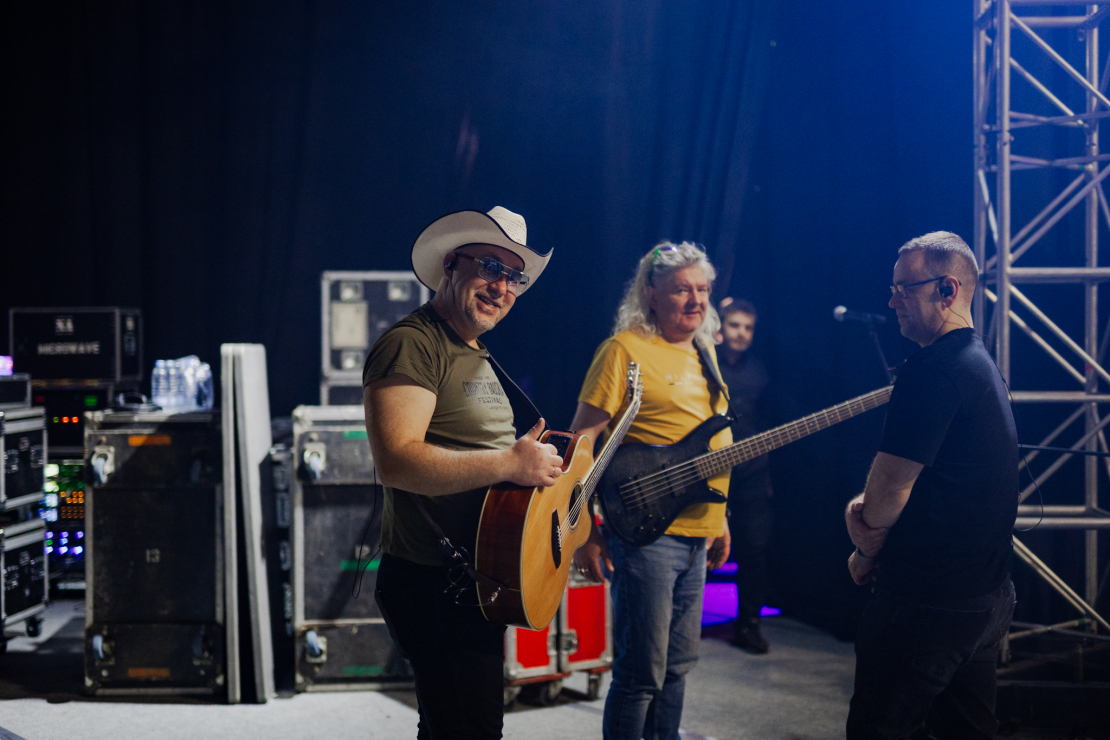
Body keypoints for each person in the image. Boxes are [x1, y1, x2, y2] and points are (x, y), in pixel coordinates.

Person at [363, 206, 564, 740]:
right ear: (452, 264)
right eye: (491, 268)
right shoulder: (413, 342)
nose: (502, 287)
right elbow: (396, 461)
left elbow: (490, 455)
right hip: (434, 580)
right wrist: (508, 462)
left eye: (514, 277)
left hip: (477, 578)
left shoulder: (476, 353)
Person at [843, 231, 1018, 738]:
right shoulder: (980, 364)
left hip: (927, 605)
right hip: (982, 601)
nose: (892, 299)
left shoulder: (933, 371)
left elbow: (886, 498)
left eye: (905, 288)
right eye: (893, 287)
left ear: (947, 288)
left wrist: (862, 533)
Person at [571, 241, 732, 740]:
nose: (695, 300)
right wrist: (585, 530)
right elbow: (581, 443)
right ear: (651, 293)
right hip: (646, 536)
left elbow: (705, 444)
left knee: (678, 667)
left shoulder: (705, 352)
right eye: (682, 289)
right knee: (641, 673)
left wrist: (719, 519)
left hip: (697, 533)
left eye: (702, 290)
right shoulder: (623, 350)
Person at [716, 299, 774, 654]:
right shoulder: (705, 365)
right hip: (711, 467)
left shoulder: (760, 371)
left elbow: (767, 422)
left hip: (752, 470)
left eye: (748, 328)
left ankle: (748, 624)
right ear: (722, 328)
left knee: (755, 546)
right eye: (735, 325)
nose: (741, 333)